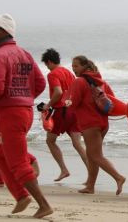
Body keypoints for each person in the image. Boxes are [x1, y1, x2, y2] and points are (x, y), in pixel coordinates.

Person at [0, 14, 52, 218]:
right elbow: (39, 83)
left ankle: (43, 204)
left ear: (6, 32)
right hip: (25, 112)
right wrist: (24, 97)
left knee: (16, 161)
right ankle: (21, 196)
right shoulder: (25, 54)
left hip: (10, 114)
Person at [68, 55, 126, 195]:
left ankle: (118, 177)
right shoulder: (101, 82)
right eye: (72, 66)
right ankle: (90, 186)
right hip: (102, 123)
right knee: (91, 154)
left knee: (96, 156)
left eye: (76, 66)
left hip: (90, 123)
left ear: (84, 66)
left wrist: (66, 101)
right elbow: (111, 101)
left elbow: (73, 103)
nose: (73, 68)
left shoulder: (79, 81)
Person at [40, 48, 88, 182]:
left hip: (62, 111)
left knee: (50, 141)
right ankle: (91, 172)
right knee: (77, 143)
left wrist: (48, 105)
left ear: (49, 62)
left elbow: (58, 92)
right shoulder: (69, 72)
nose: (47, 68)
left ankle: (64, 169)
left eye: (46, 65)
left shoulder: (53, 74)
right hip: (73, 110)